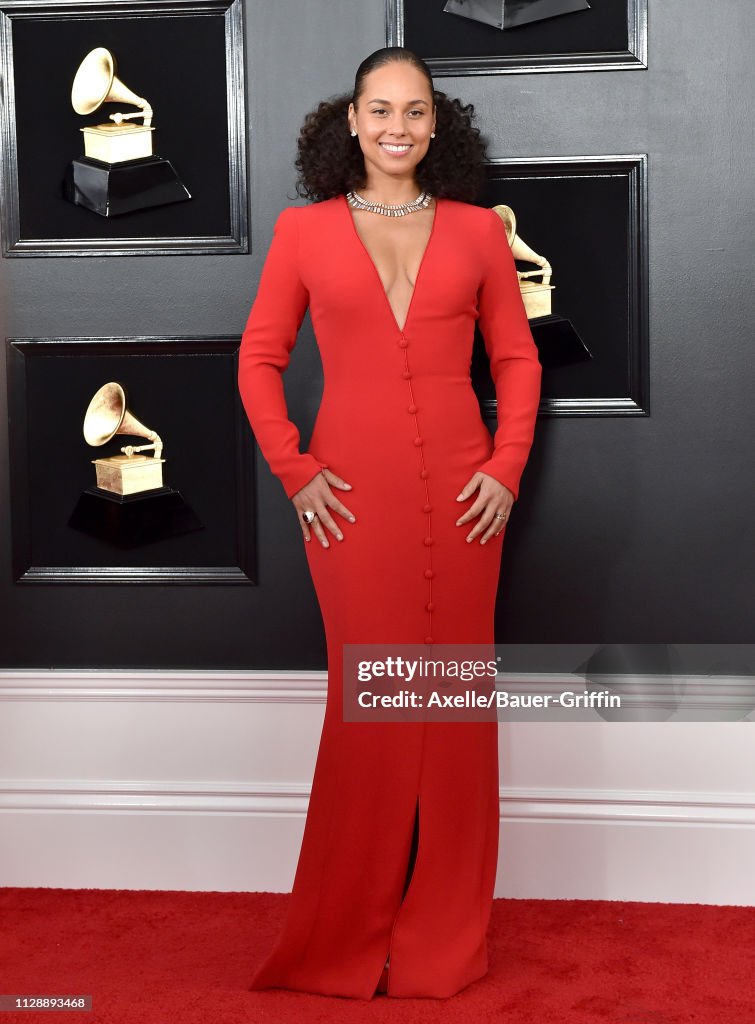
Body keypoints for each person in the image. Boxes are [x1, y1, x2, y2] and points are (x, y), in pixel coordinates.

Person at [237, 46, 542, 1000]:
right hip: (350, 503)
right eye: (380, 110)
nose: (397, 127)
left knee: (450, 711)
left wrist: (504, 465)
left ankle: (441, 941)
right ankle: (342, 940)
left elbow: (518, 362)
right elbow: (258, 360)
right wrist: (295, 470)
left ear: (435, 125)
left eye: (415, 111)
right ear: (352, 122)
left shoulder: (477, 232)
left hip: (463, 501)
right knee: (368, 708)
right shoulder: (303, 232)